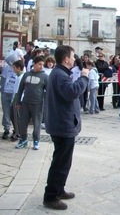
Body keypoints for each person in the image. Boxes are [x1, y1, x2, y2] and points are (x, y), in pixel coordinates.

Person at [43, 45, 89, 210]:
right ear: (66, 59)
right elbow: (72, 92)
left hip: (63, 123)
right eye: (72, 55)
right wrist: (83, 77)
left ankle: (59, 189)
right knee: (60, 163)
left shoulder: (59, 73)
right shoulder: (60, 75)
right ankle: (50, 196)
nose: (74, 57)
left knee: (63, 161)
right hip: (62, 125)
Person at [15, 56, 48, 150]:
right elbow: (20, 89)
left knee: (37, 123)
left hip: (38, 104)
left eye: (42, 64)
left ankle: (36, 140)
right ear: (34, 64)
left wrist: (46, 104)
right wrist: (18, 102)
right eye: (39, 64)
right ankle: (23, 139)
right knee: (23, 122)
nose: (41, 66)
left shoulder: (45, 76)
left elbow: (48, 91)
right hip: (25, 102)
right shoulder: (26, 75)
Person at [9, 60, 25, 141]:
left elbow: (18, 91)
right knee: (13, 116)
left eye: (14, 68)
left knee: (16, 118)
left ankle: (18, 133)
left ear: (19, 68)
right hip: (15, 98)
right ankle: (17, 131)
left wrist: (16, 101)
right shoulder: (18, 76)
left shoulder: (21, 77)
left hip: (17, 99)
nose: (13, 69)